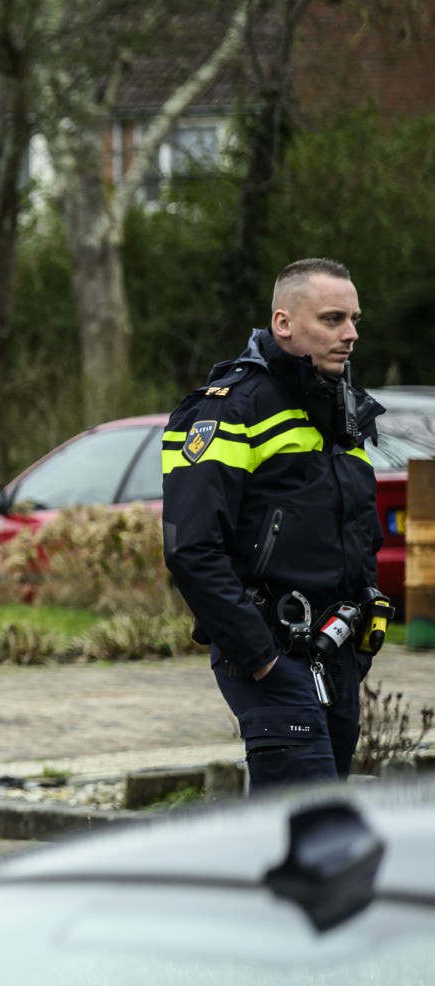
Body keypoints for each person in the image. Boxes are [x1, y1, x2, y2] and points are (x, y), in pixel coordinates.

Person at [163, 258, 387, 792]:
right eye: (333, 319)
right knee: (306, 837)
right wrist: (261, 659)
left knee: (323, 837)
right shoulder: (227, 411)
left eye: (354, 319)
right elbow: (191, 549)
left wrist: (357, 645)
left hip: (337, 658)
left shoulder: (342, 413)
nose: (351, 334)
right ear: (283, 323)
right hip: (273, 657)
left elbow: (359, 531)